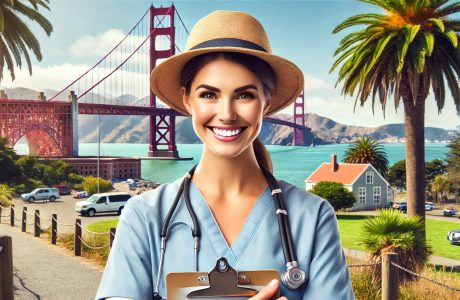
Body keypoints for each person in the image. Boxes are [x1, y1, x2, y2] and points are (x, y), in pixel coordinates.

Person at [96, 10, 354, 300]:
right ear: (186, 99)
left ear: (266, 103)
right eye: (209, 94)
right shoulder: (143, 217)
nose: (227, 114)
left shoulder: (314, 218)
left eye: (245, 95)